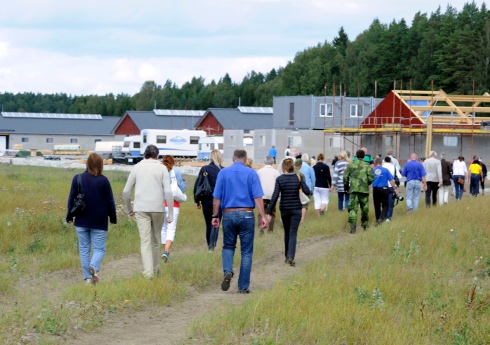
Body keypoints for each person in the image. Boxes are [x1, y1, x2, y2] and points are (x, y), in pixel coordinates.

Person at [212, 149, 267, 294]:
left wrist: (215, 216)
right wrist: (263, 216)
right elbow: (258, 198)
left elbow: (217, 198)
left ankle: (228, 270)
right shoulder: (251, 173)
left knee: (228, 246)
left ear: (232, 158)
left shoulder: (223, 173)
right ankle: (243, 286)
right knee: (246, 251)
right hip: (247, 214)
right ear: (246, 159)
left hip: (228, 214)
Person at [123, 144, 173, 279]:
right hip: (158, 209)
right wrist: (171, 214)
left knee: (145, 241)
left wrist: (129, 209)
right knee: (156, 240)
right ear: (157, 156)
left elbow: (126, 191)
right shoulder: (162, 168)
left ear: (144, 155)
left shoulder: (137, 167)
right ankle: (156, 270)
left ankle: (148, 273)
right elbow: (168, 191)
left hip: (141, 208)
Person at [66, 153, 117, 284]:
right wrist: (113, 218)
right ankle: (93, 267)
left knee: (84, 249)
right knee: (99, 249)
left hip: (81, 220)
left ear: (87, 164)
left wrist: (69, 216)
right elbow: (110, 201)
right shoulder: (104, 181)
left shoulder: (77, 178)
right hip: (99, 221)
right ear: (100, 165)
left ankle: (88, 278)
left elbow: (71, 199)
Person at [266, 158, 310, 267]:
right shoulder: (297, 177)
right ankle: (290, 256)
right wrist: (300, 182)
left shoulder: (280, 179)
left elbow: (275, 196)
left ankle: (287, 256)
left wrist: (269, 211)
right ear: (293, 166)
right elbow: (308, 191)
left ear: (283, 167)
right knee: (293, 233)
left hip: (284, 210)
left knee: (286, 232)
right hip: (296, 209)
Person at [194, 149, 223, 251]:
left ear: (211, 157)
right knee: (216, 224)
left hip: (206, 201)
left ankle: (209, 246)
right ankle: (212, 246)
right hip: (219, 202)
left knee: (208, 225)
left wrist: (197, 201)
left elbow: (198, 185)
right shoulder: (223, 170)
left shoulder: (204, 169)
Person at [161, 155, 186, 261]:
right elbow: (183, 188)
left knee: (163, 229)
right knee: (171, 229)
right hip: (173, 204)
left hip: (161, 204)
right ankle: (166, 252)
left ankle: (165, 251)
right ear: (173, 163)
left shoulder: (160, 173)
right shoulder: (176, 173)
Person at [343, 149, 375, 233]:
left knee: (353, 208)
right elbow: (371, 177)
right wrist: (367, 183)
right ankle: (365, 225)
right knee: (365, 208)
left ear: (356, 156)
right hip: (364, 191)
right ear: (364, 156)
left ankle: (353, 225)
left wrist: (346, 187)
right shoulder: (367, 165)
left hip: (353, 190)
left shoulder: (351, 165)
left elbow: (345, 177)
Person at [257, 155, 280, 234]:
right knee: (272, 213)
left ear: (264, 162)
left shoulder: (259, 171)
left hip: (262, 195)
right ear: (273, 162)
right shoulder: (276, 172)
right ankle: (270, 229)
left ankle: (261, 227)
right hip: (272, 195)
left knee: (261, 212)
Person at [372, 157, 399, 224]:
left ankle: (378, 219)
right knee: (385, 205)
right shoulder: (385, 170)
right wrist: (395, 189)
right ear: (381, 163)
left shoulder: (373, 170)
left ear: (375, 164)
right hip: (384, 189)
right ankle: (381, 218)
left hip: (376, 189)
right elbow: (391, 181)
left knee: (377, 205)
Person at [382, 156, 401, 221]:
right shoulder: (394, 167)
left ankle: (383, 216)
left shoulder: (382, 167)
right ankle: (388, 217)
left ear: (384, 161)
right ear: (390, 161)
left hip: (383, 186)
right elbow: (399, 176)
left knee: (384, 202)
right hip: (391, 186)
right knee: (391, 203)